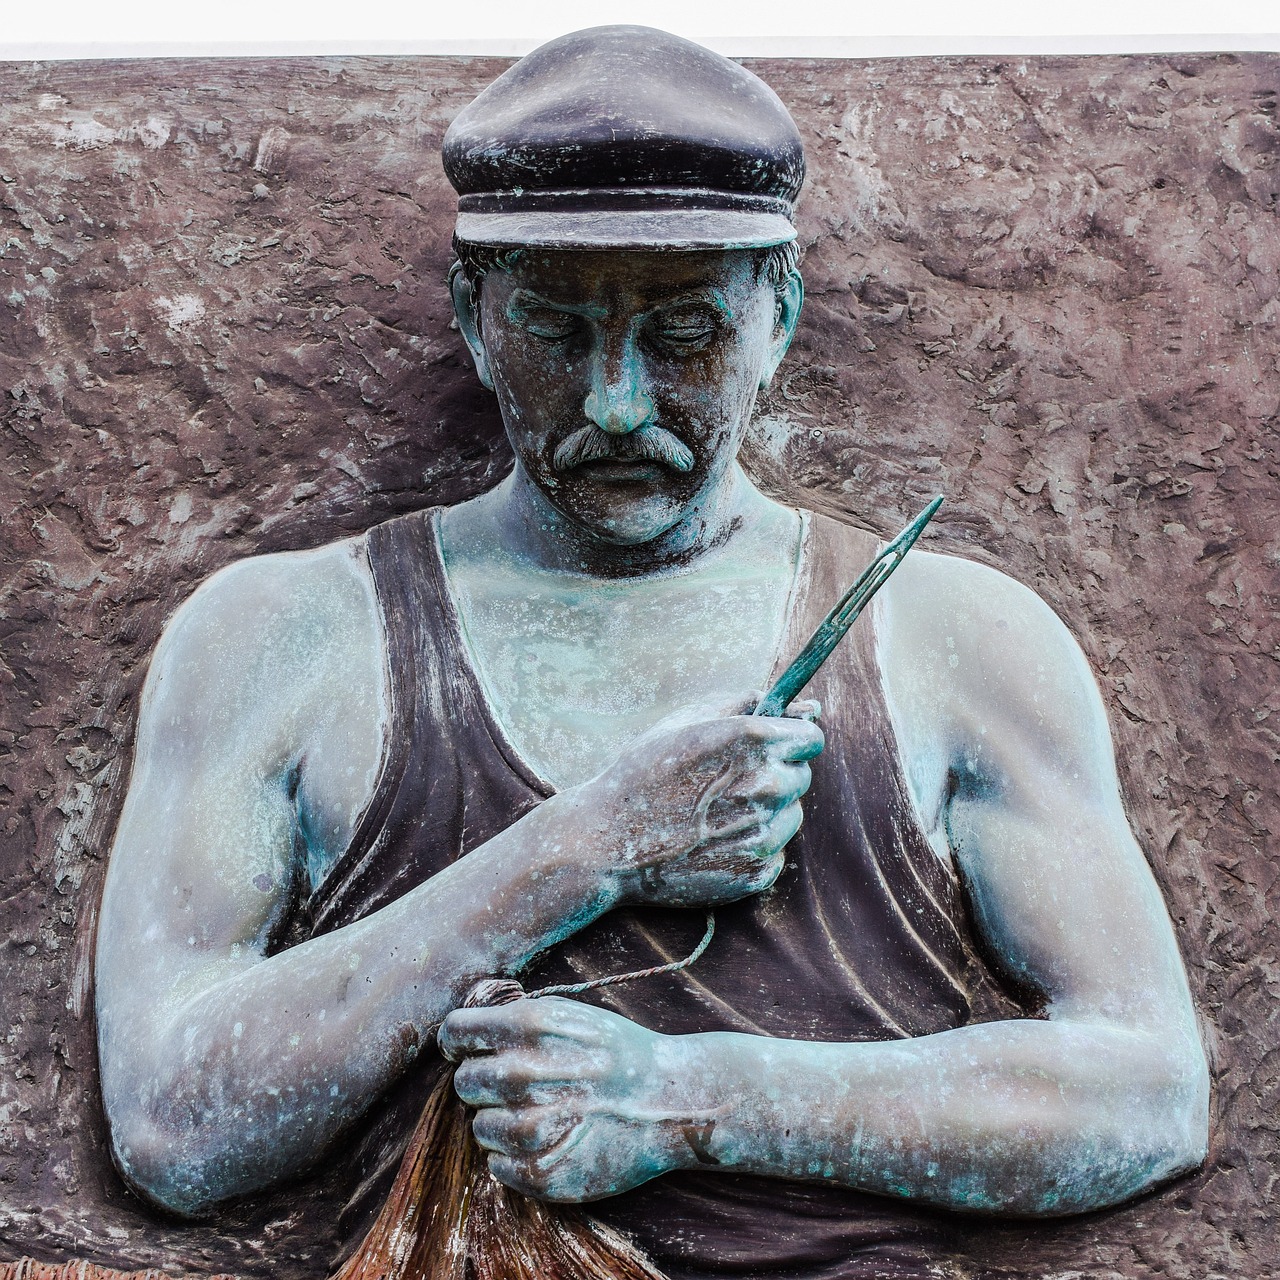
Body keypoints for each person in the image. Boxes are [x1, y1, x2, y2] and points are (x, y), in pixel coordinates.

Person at [93, 25, 1209, 1280]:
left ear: (777, 317)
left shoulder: (960, 639)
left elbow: (1145, 1094)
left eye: (682, 334)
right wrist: (587, 847)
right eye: (553, 330)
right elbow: (173, 1124)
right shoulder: (281, 634)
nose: (615, 402)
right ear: (473, 318)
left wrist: (690, 1096)